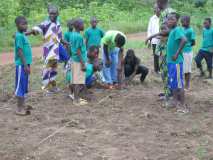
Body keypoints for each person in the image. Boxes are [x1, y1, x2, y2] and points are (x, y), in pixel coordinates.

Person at [32, 5, 68, 93]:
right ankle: (46, 87)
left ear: (58, 14)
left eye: (54, 14)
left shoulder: (58, 23)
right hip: (48, 51)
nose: (52, 15)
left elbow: (59, 37)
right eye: (50, 13)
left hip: (55, 50)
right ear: (48, 14)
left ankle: (53, 86)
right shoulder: (45, 23)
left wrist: (66, 43)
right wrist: (26, 33)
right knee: (47, 69)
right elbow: (36, 29)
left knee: (54, 69)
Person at [166, 14, 187, 112]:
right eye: (168, 19)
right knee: (173, 82)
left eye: (172, 19)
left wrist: (176, 53)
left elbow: (184, 40)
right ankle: (175, 101)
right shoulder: (172, 31)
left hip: (176, 62)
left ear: (176, 21)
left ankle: (182, 105)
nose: (169, 21)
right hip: (171, 62)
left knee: (179, 84)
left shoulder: (177, 30)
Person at [14, 16, 33, 116]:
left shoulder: (22, 34)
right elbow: (20, 51)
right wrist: (25, 65)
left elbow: (22, 34)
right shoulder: (19, 36)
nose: (26, 25)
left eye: (26, 23)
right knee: (20, 86)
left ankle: (23, 105)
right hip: (22, 65)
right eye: (23, 24)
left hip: (26, 64)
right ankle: (19, 108)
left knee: (24, 85)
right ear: (17, 25)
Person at [70, 18, 88, 105]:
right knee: (77, 81)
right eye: (82, 24)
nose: (84, 25)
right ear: (78, 26)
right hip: (79, 61)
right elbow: (78, 51)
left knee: (74, 80)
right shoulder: (79, 37)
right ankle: (76, 100)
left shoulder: (72, 34)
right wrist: (83, 64)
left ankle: (75, 97)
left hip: (74, 60)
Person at [181, 16, 196, 90]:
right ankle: (183, 84)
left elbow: (193, 42)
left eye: (183, 21)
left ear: (188, 22)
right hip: (181, 51)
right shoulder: (182, 29)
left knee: (187, 69)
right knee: (183, 69)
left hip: (187, 52)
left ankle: (187, 85)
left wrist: (187, 45)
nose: (181, 23)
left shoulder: (191, 30)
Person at [147, 4, 161, 73]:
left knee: (163, 55)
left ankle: (162, 69)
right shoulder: (152, 19)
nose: (156, 10)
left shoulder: (164, 18)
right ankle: (156, 70)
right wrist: (149, 41)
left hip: (163, 40)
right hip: (155, 40)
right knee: (156, 55)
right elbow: (149, 30)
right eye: (155, 8)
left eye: (158, 8)